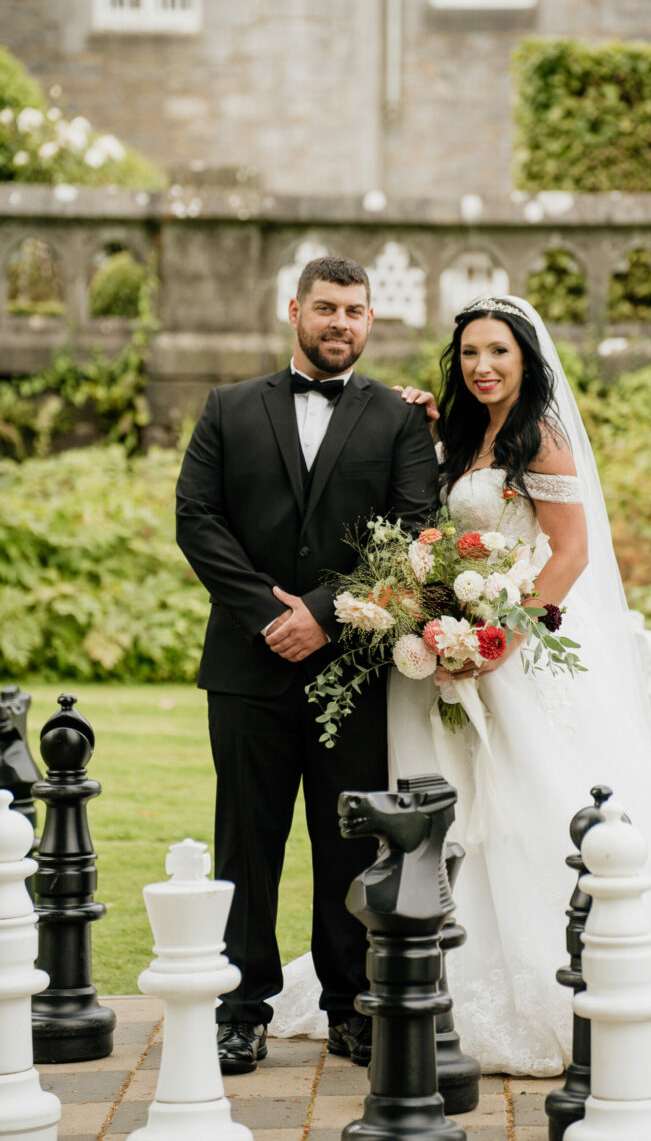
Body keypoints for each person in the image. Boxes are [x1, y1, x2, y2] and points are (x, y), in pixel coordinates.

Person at [270, 293, 651, 1085]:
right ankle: (427, 974)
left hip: (513, 649)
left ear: (525, 357)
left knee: (526, 805)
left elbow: (568, 555)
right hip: (444, 645)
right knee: (442, 805)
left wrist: (498, 639)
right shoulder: (459, 437)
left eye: (497, 353)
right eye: (468, 355)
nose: (482, 367)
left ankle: (554, 987)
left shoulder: (542, 440)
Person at [175, 255, 439, 1074]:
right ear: (293, 310)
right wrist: (269, 615)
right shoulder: (227, 407)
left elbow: (413, 532)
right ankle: (240, 1010)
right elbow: (197, 519)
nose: (340, 324)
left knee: (350, 844)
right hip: (246, 668)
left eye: (354, 312)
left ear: (370, 322)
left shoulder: (398, 421)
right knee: (246, 845)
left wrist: (322, 618)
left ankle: (348, 1009)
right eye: (325, 308)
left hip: (351, 671)